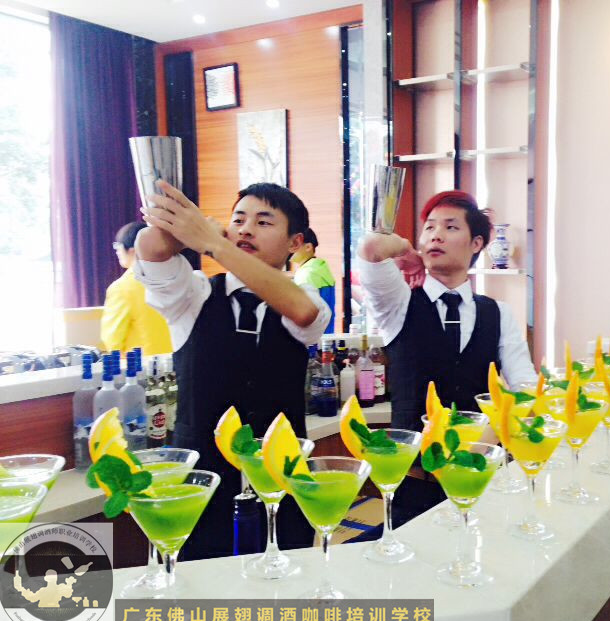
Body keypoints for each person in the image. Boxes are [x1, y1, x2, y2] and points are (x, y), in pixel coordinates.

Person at [135, 180, 331, 559]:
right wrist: (189, 226)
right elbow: (151, 248)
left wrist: (214, 243)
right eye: (238, 220)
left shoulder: (304, 298)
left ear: (295, 243)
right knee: (202, 582)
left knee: (284, 576)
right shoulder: (192, 294)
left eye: (263, 222)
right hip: (200, 480)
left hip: (280, 473)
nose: (246, 229)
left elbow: (303, 312)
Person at [357, 190, 536, 429]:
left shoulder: (499, 313)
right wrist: (407, 250)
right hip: (414, 450)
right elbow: (372, 247)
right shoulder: (398, 303)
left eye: (451, 227)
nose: (436, 236)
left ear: (476, 243)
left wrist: (499, 431)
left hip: (479, 448)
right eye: (429, 228)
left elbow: (525, 386)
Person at [100, 221, 172, 356]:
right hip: (175, 362)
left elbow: (113, 341)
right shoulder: (173, 279)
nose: (117, 252)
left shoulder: (121, 288)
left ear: (132, 250)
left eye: (118, 246)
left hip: (142, 365)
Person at [289, 227, 336, 333]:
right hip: (325, 335)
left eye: (294, 244)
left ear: (308, 247)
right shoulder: (319, 268)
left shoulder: (306, 274)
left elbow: (303, 313)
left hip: (312, 338)